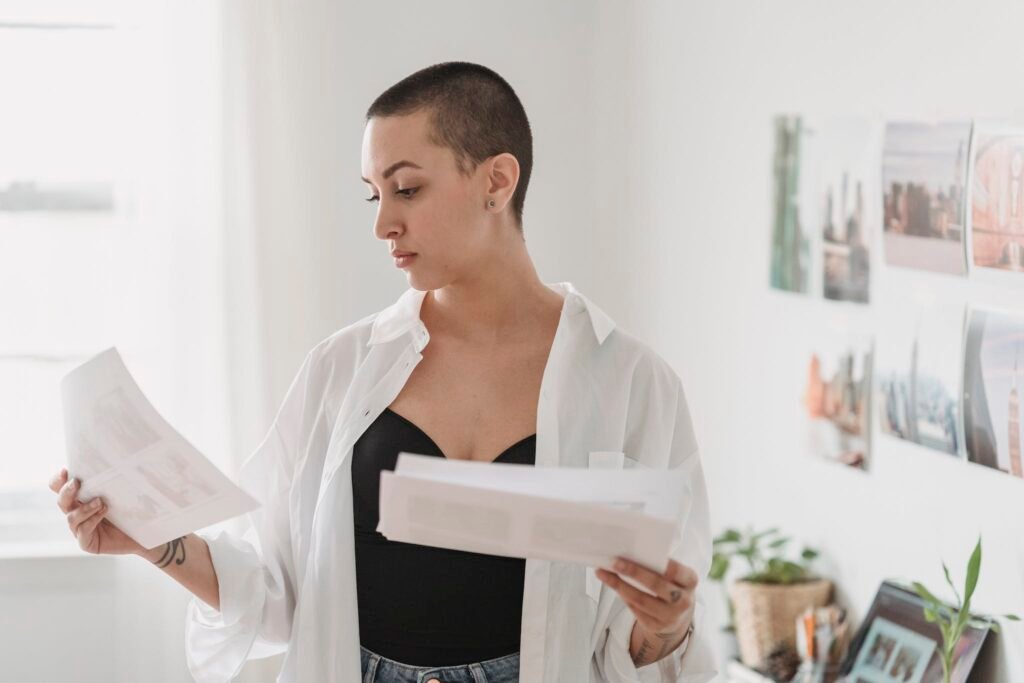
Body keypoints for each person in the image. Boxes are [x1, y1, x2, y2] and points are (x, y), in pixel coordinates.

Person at [49, 61, 713, 683]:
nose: (384, 224)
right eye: (374, 194)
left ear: (496, 180)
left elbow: (639, 640)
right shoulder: (343, 367)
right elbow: (278, 590)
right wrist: (153, 541)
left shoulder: (632, 381)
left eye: (407, 188)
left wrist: (668, 624)